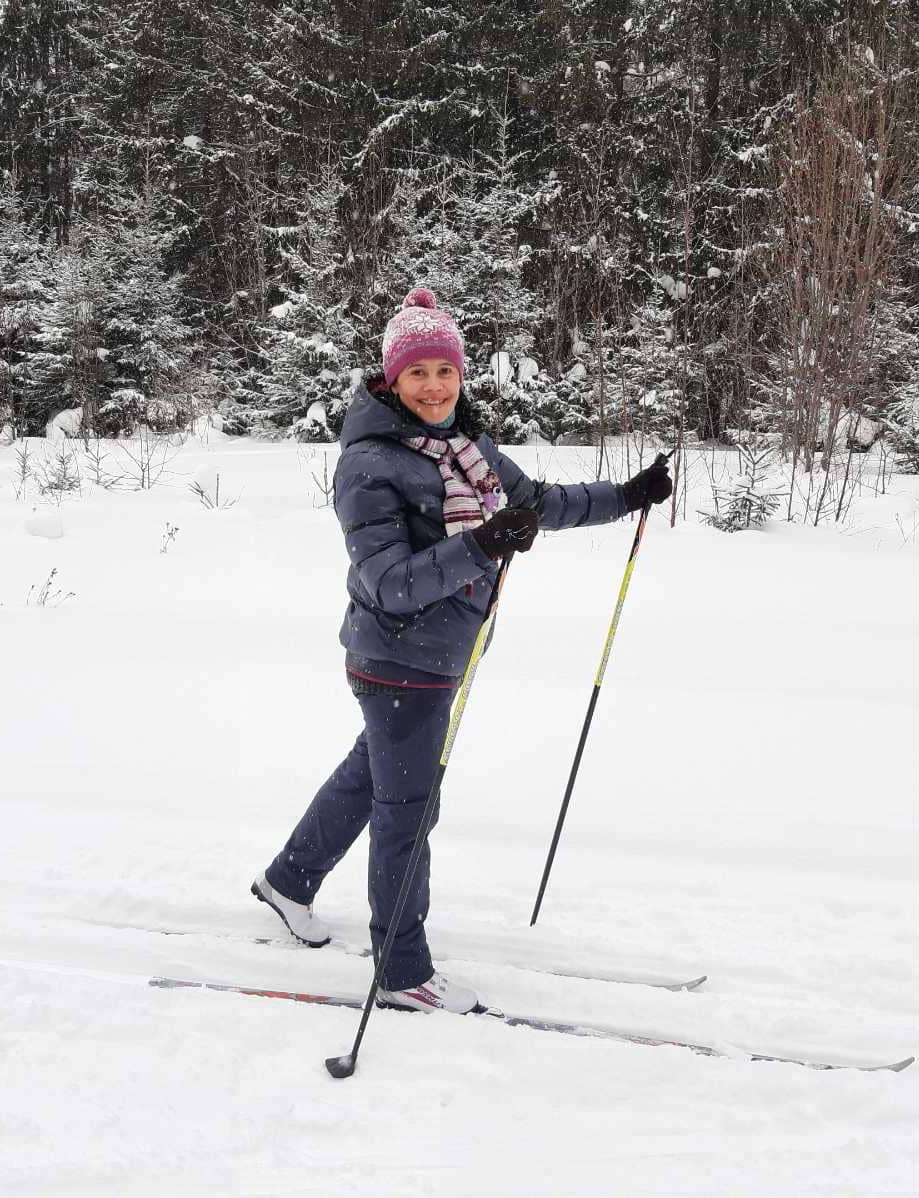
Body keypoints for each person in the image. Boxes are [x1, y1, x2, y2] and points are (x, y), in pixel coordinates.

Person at [251, 287, 672, 1013]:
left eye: (445, 370)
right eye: (417, 373)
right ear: (392, 380)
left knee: (371, 776)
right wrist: (480, 545)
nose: (434, 386)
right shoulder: (369, 464)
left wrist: (627, 496)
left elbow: (539, 502)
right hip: (399, 661)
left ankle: (288, 881)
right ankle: (401, 970)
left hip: (439, 655)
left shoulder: (467, 448)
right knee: (408, 811)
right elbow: (388, 583)